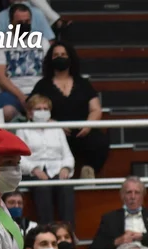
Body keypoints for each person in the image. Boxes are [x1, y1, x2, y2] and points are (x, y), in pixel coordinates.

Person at [30, 41, 109, 177]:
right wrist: (53, 124)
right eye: (56, 55)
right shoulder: (42, 85)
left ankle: (88, 172)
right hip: (55, 134)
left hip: (82, 132)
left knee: (100, 140)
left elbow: (96, 109)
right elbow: (31, 110)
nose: (60, 57)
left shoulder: (83, 83)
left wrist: (88, 125)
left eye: (63, 54)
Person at [16, 94, 75, 226]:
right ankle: (46, 230)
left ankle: (68, 231)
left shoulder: (57, 128)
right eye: (38, 109)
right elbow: (19, 157)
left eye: (45, 109)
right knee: (43, 187)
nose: (42, 111)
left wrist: (66, 168)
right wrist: (35, 170)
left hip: (57, 170)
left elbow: (68, 155)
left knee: (66, 186)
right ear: (30, 113)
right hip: (32, 172)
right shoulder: (23, 129)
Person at [0, 4, 49, 121]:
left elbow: (49, 71)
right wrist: (21, 97)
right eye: (20, 22)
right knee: (7, 112)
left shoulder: (42, 41)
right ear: (11, 23)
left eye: (27, 21)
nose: (24, 25)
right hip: (10, 93)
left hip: (38, 91)